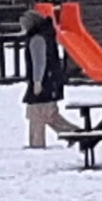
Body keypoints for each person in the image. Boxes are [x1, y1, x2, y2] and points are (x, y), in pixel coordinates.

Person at [21, 9, 79, 148]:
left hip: (44, 80)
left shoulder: (37, 39)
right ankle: (75, 133)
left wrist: (37, 82)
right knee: (50, 114)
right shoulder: (47, 35)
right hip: (52, 80)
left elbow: (39, 61)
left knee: (36, 114)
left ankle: (37, 144)